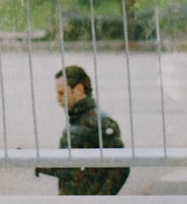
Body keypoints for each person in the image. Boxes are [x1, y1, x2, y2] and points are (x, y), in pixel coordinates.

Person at [35, 65, 129, 195]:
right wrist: (40, 163)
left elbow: (121, 166)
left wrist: (100, 201)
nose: (58, 99)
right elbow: (72, 169)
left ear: (79, 89)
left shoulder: (100, 123)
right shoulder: (77, 120)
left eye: (62, 93)